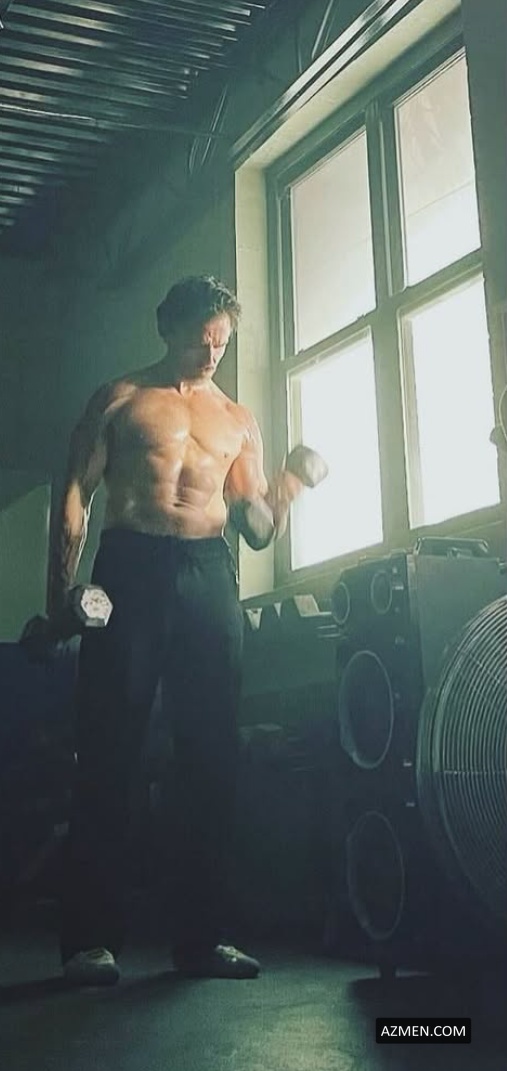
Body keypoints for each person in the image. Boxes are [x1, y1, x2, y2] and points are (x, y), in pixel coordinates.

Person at [47, 275, 325, 986]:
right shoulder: (120, 399)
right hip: (129, 564)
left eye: (221, 343)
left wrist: (288, 486)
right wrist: (62, 593)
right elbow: (74, 493)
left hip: (208, 572)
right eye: (200, 340)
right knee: (109, 749)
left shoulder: (236, 419)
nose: (210, 354)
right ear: (168, 328)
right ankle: (89, 941)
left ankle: (203, 939)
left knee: (211, 755)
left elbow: (256, 527)